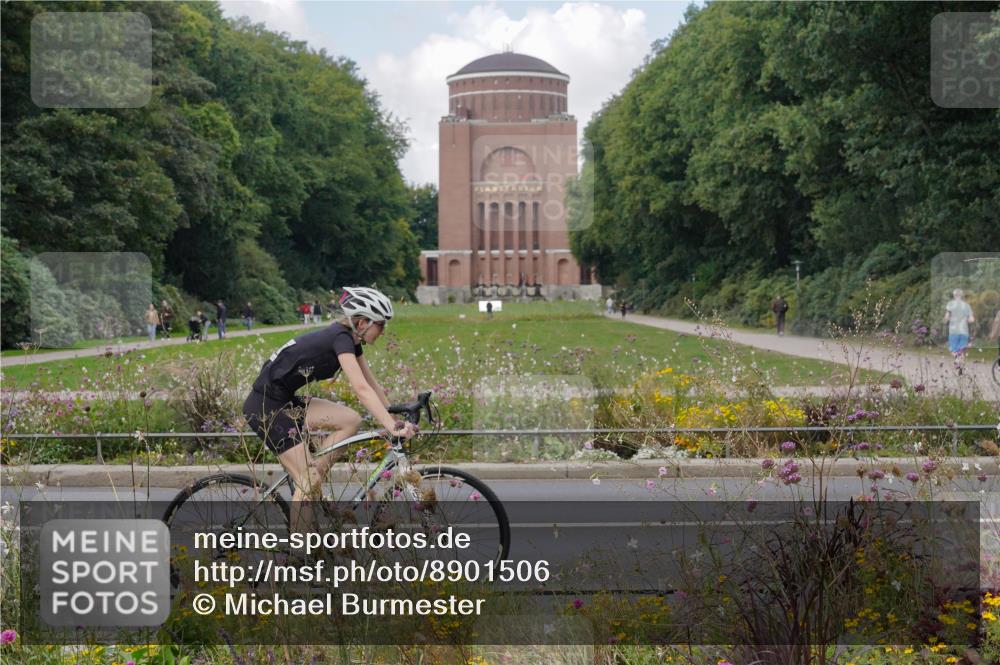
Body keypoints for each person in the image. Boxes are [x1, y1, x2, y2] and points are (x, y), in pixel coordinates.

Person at [242, 286, 417, 531]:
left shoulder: (350, 340)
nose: (383, 330)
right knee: (308, 482)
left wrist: (394, 415)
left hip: (284, 400)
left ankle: (313, 474)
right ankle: (300, 549)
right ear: (363, 322)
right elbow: (360, 388)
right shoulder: (340, 339)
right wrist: (390, 426)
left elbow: (370, 383)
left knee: (351, 420)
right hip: (265, 406)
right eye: (380, 324)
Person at [944, 289, 975, 373]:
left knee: (952, 349)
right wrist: (966, 320)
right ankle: (961, 369)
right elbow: (972, 319)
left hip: (953, 331)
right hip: (964, 331)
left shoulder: (950, 304)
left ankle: (957, 359)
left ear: (954, 295)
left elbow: (946, 317)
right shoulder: (967, 306)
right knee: (962, 350)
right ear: (961, 296)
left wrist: (948, 320)